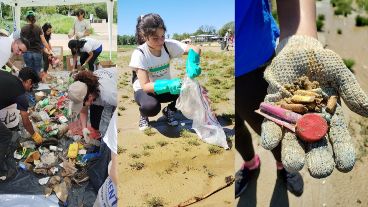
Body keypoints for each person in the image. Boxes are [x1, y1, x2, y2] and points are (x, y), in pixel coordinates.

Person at [234, 0, 304, 198]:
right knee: (233, 127)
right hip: (219, 70)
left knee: (270, 126)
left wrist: (301, 42)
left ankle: (283, 167)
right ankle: (251, 163)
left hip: (255, 61)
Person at [129, 13, 201, 131]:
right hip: (145, 90)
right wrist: (168, 85)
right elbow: (146, 86)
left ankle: (169, 111)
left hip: (164, 85)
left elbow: (195, 49)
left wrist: (193, 62)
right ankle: (144, 115)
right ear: (144, 36)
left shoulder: (167, 45)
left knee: (190, 89)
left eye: (162, 36)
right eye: (155, 38)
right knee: (150, 107)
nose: (160, 41)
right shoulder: (139, 54)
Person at [0, 67, 42, 180]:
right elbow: (25, 120)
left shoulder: (10, 77)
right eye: (31, 85)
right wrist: (34, 135)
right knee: (6, 136)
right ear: (28, 81)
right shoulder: (20, 93)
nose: (30, 88)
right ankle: (1, 170)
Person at [68, 68, 117, 142]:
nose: (83, 105)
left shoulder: (110, 95)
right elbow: (83, 110)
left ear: (90, 96)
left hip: (116, 85)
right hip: (98, 92)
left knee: (107, 127)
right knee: (95, 123)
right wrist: (84, 128)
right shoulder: (84, 85)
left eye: (83, 102)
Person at [21, 11, 53, 76]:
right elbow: (44, 41)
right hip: (37, 52)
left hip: (27, 52)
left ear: (27, 19)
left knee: (29, 69)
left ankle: (30, 84)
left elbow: (22, 42)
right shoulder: (38, 28)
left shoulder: (23, 28)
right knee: (37, 70)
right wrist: (49, 50)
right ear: (34, 18)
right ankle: (36, 83)